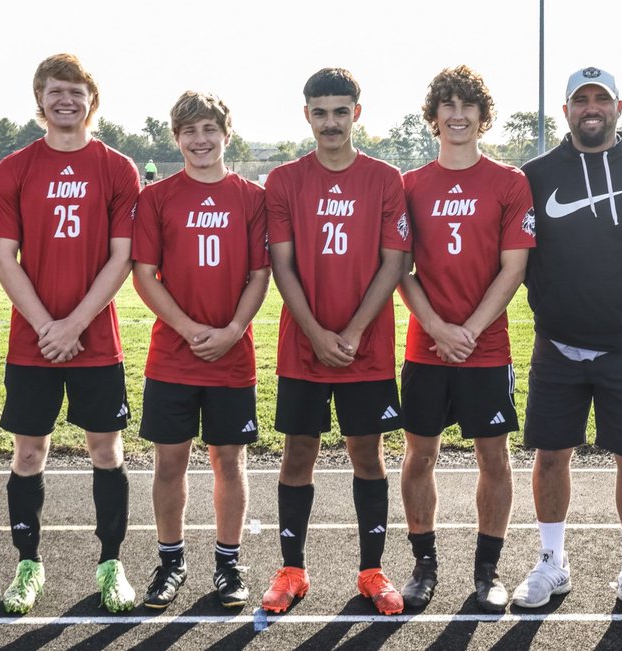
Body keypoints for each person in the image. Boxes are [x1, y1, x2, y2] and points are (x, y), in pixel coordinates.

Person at [512, 67, 622, 623]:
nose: (591, 108)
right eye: (579, 100)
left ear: (618, 106)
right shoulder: (535, 176)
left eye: (600, 99)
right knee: (550, 456)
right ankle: (551, 561)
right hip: (557, 345)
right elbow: (516, 254)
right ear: (565, 110)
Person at [0, 52, 140, 614]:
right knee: (28, 454)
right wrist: (47, 325)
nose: (65, 100)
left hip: (95, 338)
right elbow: (4, 256)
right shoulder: (16, 168)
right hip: (34, 339)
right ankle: (28, 564)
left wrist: (75, 323)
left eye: (75, 91)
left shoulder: (118, 168)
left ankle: (111, 565)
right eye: (55, 91)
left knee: (106, 450)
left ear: (91, 101)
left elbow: (123, 257)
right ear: (39, 99)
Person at [260, 67, 410, 616]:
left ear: (356, 114)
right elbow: (282, 265)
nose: (330, 122)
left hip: (365, 348)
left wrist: (350, 332)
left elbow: (394, 262)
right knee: (298, 453)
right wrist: (317, 333)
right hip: (303, 345)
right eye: (320, 112)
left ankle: (371, 570)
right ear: (307, 115)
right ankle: (291, 572)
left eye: (340, 111)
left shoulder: (386, 178)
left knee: (367, 455)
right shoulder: (283, 181)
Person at [396, 65, 535, 612]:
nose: (458, 115)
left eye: (468, 106)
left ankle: (487, 571)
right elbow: (398, 268)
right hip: (425, 346)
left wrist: (469, 331)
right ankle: (423, 565)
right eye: (447, 105)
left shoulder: (509, 181)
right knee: (418, 456)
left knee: (494, 458)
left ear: (482, 116)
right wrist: (436, 327)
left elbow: (514, 268)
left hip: (485, 347)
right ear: (433, 117)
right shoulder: (409, 185)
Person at [131, 91, 270, 609]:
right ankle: (170, 562)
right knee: (170, 463)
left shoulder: (251, 197)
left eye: (209, 129)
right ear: (177, 138)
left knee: (228, 462)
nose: (200, 140)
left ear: (225, 134)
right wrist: (189, 328)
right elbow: (144, 274)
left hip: (233, 353)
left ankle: (228, 565)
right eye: (189, 131)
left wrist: (234, 328)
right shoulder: (158, 197)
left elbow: (261, 273)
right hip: (173, 353)